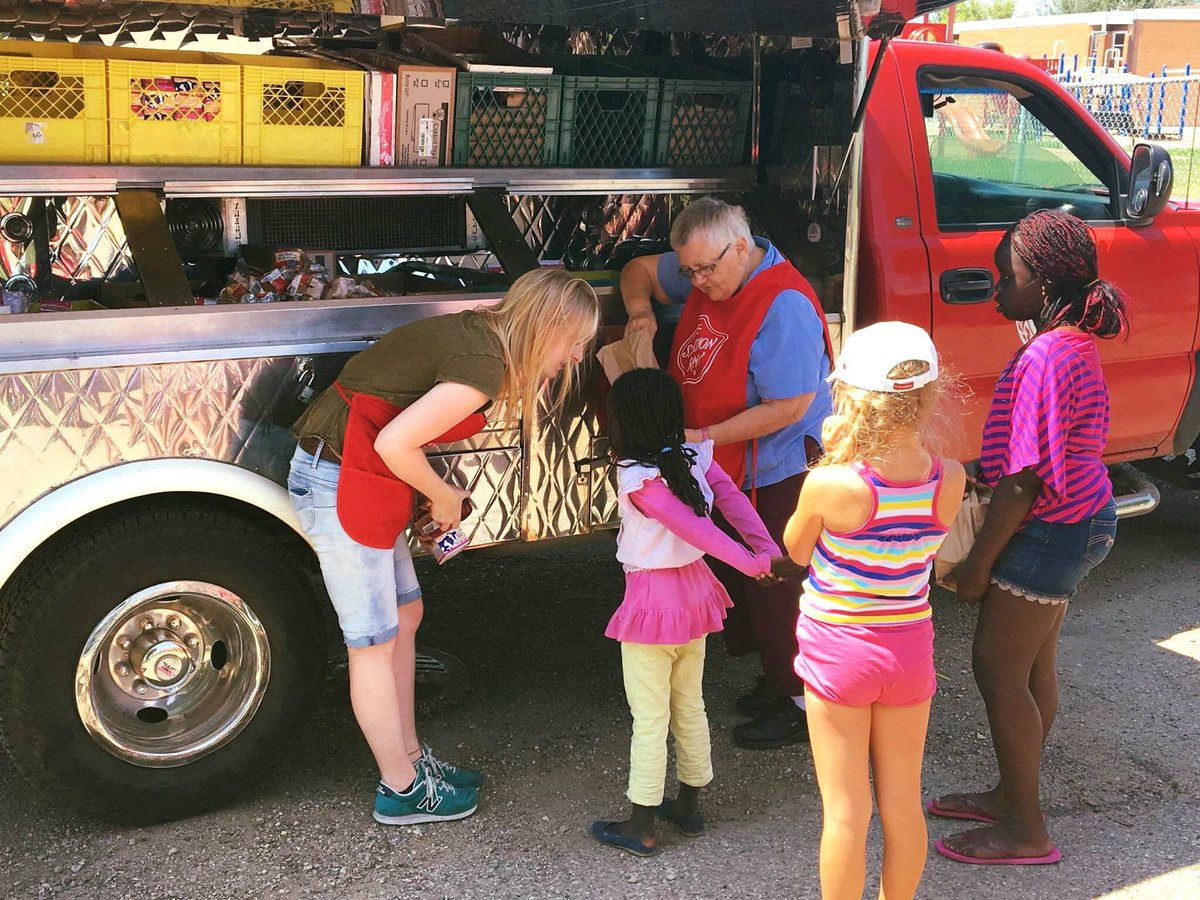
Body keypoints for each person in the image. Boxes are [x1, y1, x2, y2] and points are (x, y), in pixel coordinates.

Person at [288, 268, 599, 825]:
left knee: (406, 615)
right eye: (575, 343)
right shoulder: (484, 365)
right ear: (548, 326)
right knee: (372, 642)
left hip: (361, 476)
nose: (576, 357)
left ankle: (410, 760)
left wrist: (428, 493)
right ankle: (401, 790)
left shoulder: (482, 336)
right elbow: (394, 441)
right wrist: (443, 496)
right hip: (340, 478)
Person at [932, 209, 1124, 865]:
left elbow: (1024, 481)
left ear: (1040, 283)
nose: (994, 289)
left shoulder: (1046, 354)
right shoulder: (1068, 344)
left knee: (997, 668)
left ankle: (1026, 830)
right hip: (1080, 516)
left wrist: (976, 567)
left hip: (1052, 527)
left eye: (1003, 277)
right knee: (1034, 667)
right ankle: (1010, 795)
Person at [620, 197, 833, 749]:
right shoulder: (707, 264)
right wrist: (641, 308)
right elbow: (637, 271)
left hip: (777, 463)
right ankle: (780, 677)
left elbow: (787, 405)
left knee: (778, 583)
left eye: (705, 270)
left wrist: (700, 439)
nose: (696, 281)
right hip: (720, 460)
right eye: (688, 271)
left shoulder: (782, 303)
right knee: (749, 583)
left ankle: (802, 703)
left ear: (740, 246)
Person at [782, 322, 965, 900]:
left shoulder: (831, 483)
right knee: (903, 803)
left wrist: (835, 454)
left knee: (845, 812)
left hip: (839, 650)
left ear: (851, 399)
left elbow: (796, 548)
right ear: (929, 396)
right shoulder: (950, 479)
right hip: (908, 650)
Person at [591, 368, 792, 857]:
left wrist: (753, 563)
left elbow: (691, 526)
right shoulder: (692, 457)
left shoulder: (636, 478)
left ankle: (640, 821)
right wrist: (765, 552)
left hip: (650, 606)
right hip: (694, 598)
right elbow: (732, 503)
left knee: (650, 716)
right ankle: (689, 805)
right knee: (690, 704)